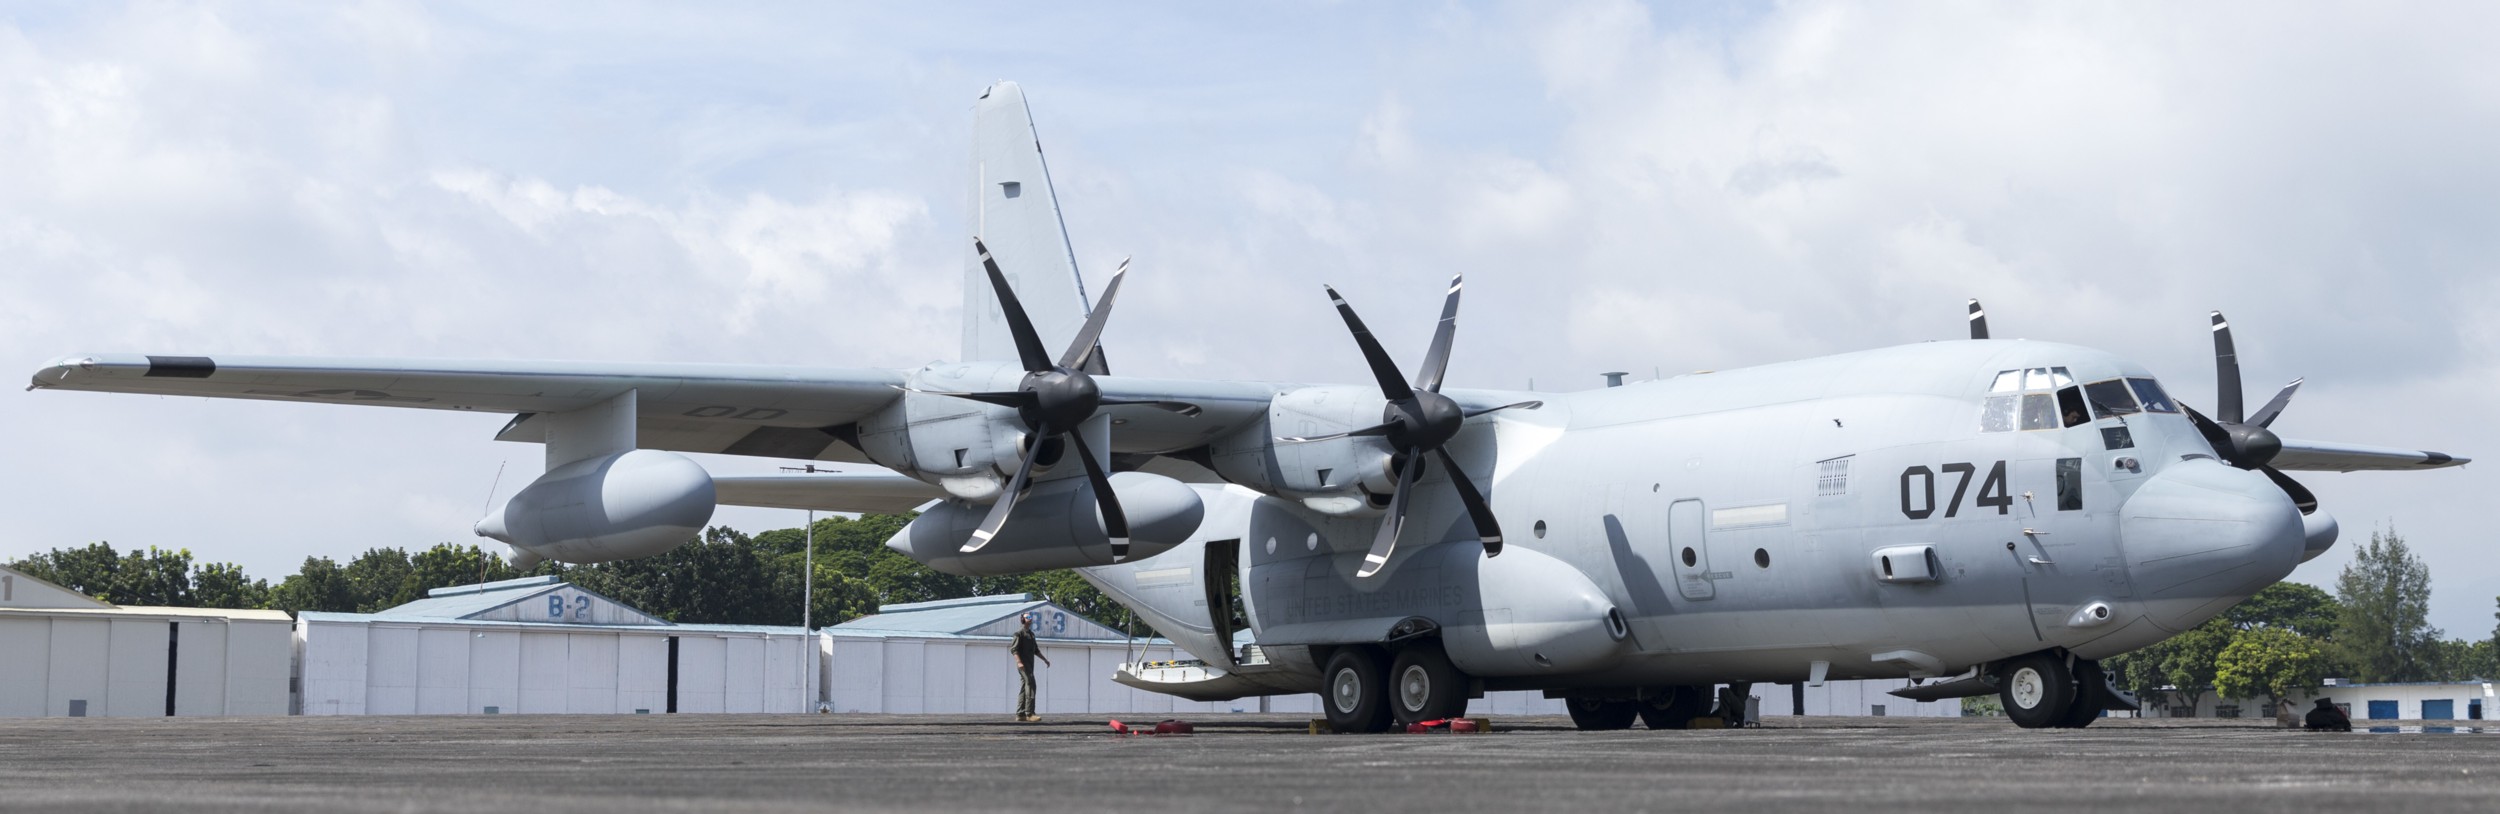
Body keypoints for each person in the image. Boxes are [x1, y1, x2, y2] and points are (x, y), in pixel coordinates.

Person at [1011, 613, 1051, 722]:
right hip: (1023, 665)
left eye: (1030, 617)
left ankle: (1020, 714)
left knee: (1024, 687)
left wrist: (1044, 660)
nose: (1030, 618)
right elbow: (1014, 650)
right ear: (1023, 619)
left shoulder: (1031, 634)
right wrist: (1019, 662)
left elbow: (1036, 650)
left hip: (1030, 665)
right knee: (1031, 685)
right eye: (1027, 617)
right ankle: (1029, 713)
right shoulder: (1019, 634)